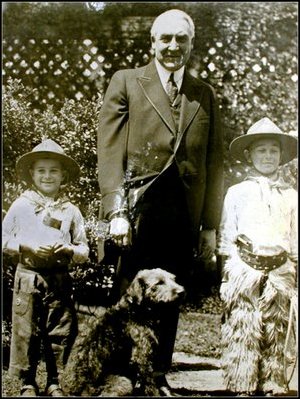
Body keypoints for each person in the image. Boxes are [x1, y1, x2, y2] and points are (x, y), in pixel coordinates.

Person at [97, 9, 224, 395]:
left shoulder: (204, 93)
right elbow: (110, 149)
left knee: (170, 295)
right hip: (137, 210)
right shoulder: (126, 82)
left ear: (190, 44)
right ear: (152, 43)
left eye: (180, 40)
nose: (172, 47)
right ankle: (117, 375)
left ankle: (156, 375)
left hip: (181, 214)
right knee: (128, 297)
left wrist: (210, 226)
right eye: (165, 39)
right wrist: (116, 209)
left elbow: (214, 162)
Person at [2, 139, 89, 397]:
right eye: (41, 170)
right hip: (28, 277)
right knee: (26, 330)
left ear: (63, 174)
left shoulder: (71, 211)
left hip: (59, 280)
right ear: (32, 173)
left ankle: (55, 381)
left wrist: (70, 250)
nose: (47, 176)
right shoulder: (21, 205)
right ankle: (27, 382)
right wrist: (26, 246)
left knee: (60, 331)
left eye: (53, 170)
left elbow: (84, 249)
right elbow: (4, 239)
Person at [218, 117, 298, 396]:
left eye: (273, 151)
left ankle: (274, 380)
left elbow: (295, 238)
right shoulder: (237, 192)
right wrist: (226, 277)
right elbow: (227, 237)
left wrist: (294, 271)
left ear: (281, 156)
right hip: (245, 268)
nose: (267, 157)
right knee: (243, 326)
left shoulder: (291, 196)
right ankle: (242, 381)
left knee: (277, 329)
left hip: (280, 269)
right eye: (261, 151)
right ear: (250, 154)